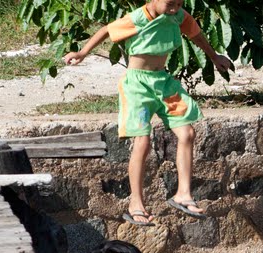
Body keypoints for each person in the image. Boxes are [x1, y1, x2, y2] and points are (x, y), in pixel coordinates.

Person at [63, 0, 234, 224]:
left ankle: (183, 193)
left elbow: (196, 35)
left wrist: (214, 57)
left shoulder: (179, 16)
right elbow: (107, 29)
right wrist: (83, 52)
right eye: (170, 3)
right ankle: (136, 202)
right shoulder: (138, 18)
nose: (175, 7)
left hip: (163, 83)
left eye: (179, 2)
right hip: (137, 86)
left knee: (187, 133)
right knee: (142, 142)